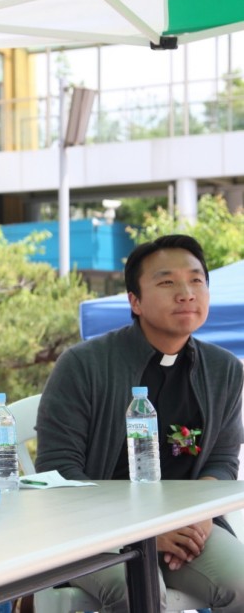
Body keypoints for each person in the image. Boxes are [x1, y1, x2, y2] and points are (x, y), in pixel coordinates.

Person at [36, 234, 244, 612]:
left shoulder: (224, 369)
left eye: (196, 280)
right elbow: (58, 470)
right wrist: (144, 533)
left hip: (186, 523)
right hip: (94, 529)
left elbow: (222, 461)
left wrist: (199, 518)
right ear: (135, 301)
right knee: (139, 592)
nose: (186, 294)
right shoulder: (83, 365)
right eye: (167, 282)